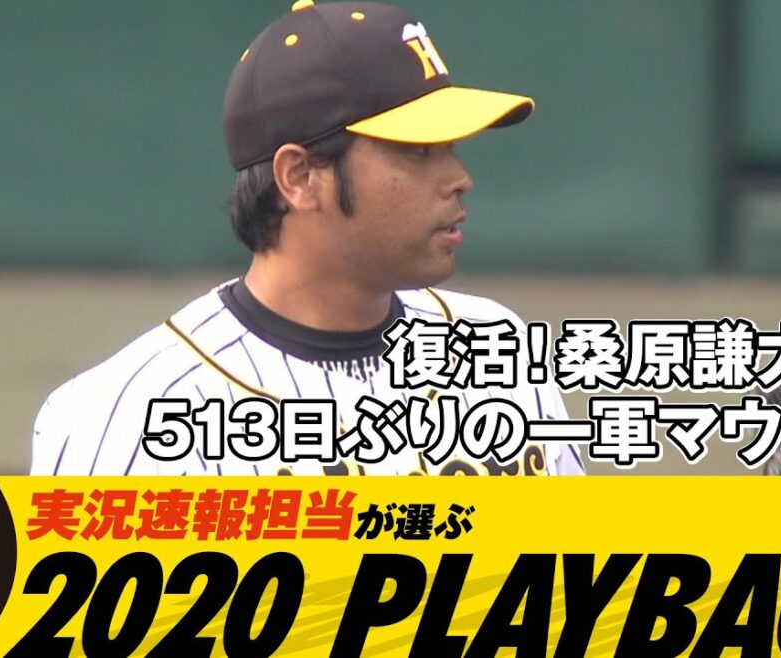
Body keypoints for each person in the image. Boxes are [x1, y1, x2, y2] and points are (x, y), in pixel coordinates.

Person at [30, 0, 584, 476]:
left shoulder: (494, 347)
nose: (460, 178)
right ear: (299, 177)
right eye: (418, 150)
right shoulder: (133, 414)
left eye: (452, 147)